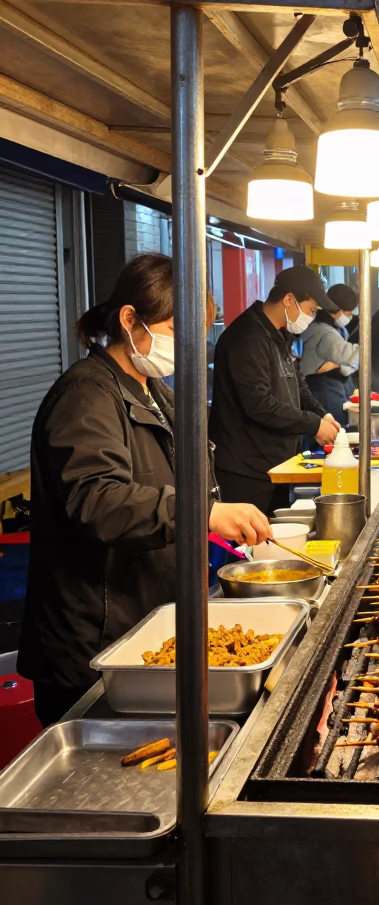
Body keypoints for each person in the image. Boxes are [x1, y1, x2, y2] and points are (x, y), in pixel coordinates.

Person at [18, 254, 271, 727]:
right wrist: (202, 513)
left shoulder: (154, 391)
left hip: (145, 620)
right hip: (94, 642)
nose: (187, 347)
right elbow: (98, 501)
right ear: (130, 319)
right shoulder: (87, 395)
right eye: (177, 330)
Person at [209, 266, 341, 515]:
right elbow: (258, 403)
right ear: (289, 299)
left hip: (274, 464)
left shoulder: (280, 335)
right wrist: (312, 425)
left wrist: (322, 415)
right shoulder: (246, 337)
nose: (311, 317)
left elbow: (297, 385)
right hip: (245, 469)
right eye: (311, 310)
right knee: (247, 550)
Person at [299, 283, 360, 426]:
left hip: (324, 390)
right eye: (348, 313)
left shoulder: (330, 328)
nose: (350, 317)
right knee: (333, 436)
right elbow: (358, 357)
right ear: (335, 310)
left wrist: (337, 364)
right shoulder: (325, 334)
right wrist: (342, 365)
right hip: (323, 392)